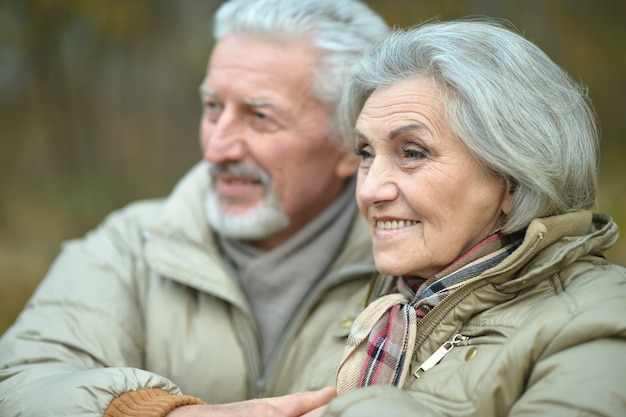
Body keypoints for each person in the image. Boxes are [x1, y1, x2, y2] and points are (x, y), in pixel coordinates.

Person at [0, 1, 389, 416]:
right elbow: (22, 381)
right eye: (212, 108)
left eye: (259, 116)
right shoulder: (131, 244)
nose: (217, 147)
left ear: (352, 143)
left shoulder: (416, 270)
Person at [327, 19, 626, 416]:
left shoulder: (598, 317)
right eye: (366, 153)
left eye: (412, 152)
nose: (368, 190)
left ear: (513, 179)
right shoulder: (375, 307)